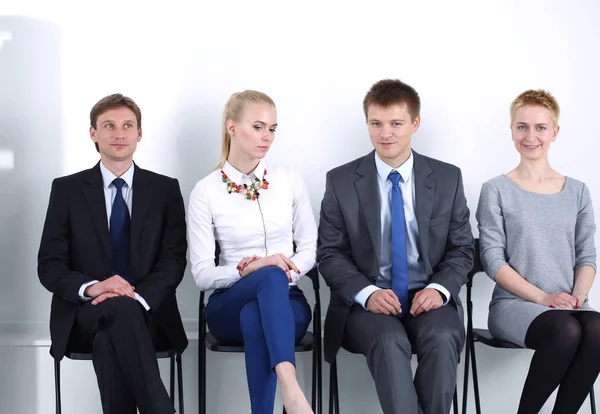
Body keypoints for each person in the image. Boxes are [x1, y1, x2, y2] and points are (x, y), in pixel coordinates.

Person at [318, 79, 474, 414]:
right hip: (366, 305)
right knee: (389, 341)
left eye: (396, 123)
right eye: (376, 123)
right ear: (367, 124)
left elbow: (461, 248)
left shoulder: (448, 178)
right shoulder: (341, 181)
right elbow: (330, 253)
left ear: (415, 124)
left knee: (444, 336)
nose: (385, 133)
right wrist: (367, 293)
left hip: (428, 298)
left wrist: (439, 289)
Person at [37, 94, 188, 414]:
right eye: (109, 125)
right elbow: (50, 265)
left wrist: (136, 298)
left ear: (139, 133)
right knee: (116, 315)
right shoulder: (66, 190)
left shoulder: (165, 190)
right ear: (93, 133)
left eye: (127, 126)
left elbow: (173, 260)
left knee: (111, 338)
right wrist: (94, 287)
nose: (119, 133)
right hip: (84, 315)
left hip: (150, 312)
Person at [187, 90, 316, 414]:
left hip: (288, 302)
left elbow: (311, 247)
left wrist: (282, 270)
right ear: (231, 127)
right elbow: (202, 274)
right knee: (264, 280)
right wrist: (249, 270)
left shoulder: (289, 180)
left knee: (257, 312)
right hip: (228, 304)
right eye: (258, 127)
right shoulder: (206, 191)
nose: (267, 137)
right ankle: (292, 391)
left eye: (272, 128)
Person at [476, 89, 600, 414]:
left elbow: (587, 257)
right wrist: (545, 299)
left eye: (540, 127)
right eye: (522, 127)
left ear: (554, 132)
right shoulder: (496, 190)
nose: (531, 136)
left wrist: (579, 295)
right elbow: (492, 260)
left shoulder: (577, 191)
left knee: (597, 328)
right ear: (512, 130)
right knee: (565, 330)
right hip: (515, 305)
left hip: (569, 304)